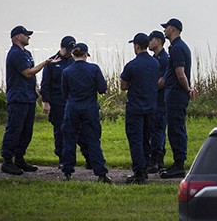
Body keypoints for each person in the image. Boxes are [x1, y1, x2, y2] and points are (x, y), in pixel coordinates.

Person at [1, 25, 60, 176]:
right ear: (17, 37)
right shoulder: (15, 54)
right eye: (25, 34)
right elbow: (27, 73)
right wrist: (46, 62)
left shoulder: (26, 53)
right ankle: (7, 160)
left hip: (28, 97)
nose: (28, 37)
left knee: (27, 131)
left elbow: (31, 76)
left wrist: (36, 92)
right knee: (14, 129)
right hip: (18, 97)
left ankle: (19, 158)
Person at [60, 42, 111, 183]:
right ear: (85, 54)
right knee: (93, 140)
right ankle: (101, 173)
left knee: (69, 140)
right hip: (89, 108)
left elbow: (64, 93)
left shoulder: (67, 71)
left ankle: (67, 171)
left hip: (72, 108)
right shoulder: (94, 69)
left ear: (72, 55)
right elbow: (102, 88)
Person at [40, 35, 89, 167]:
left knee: (81, 130)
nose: (69, 52)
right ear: (61, 47)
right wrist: (46, 102)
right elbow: (45, 84)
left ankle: (88, 157)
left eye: (72, 49)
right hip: (57, 102)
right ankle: (62, 158)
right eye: (67, 49)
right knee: (60, 131)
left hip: (73, 101)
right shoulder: (52, 62)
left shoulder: (74, 61)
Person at [120, 32, 160, 184]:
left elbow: (123, 86)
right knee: (146, 140)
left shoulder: (131, 65)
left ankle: (139, 173)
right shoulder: (155, 63)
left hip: (135, 108)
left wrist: (132, 84)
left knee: (135, 140)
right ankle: (145, 168)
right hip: (151, 107)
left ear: (136, 46)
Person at [160, 18, 197, 178]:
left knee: (176, 129)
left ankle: (179, 164)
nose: (164, 30)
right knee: (176, 128)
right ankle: (177, 162)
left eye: (166, 27)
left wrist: (188, 89)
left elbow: (180, 73)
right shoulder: (179, 47)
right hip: (175, 93)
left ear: (173, 29)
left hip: (176, 94)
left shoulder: (177, 48)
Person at [146, 29, 170, 174]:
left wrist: (146, 87)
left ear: (159, 41)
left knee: (158, 131)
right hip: (153, 101)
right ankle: (157, 160)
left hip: (160, 101)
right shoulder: (154, 58)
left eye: (151, 39)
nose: (149, 42)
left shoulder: (164, 59)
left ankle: (156, 160)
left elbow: (162, 82)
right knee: (154, 131)